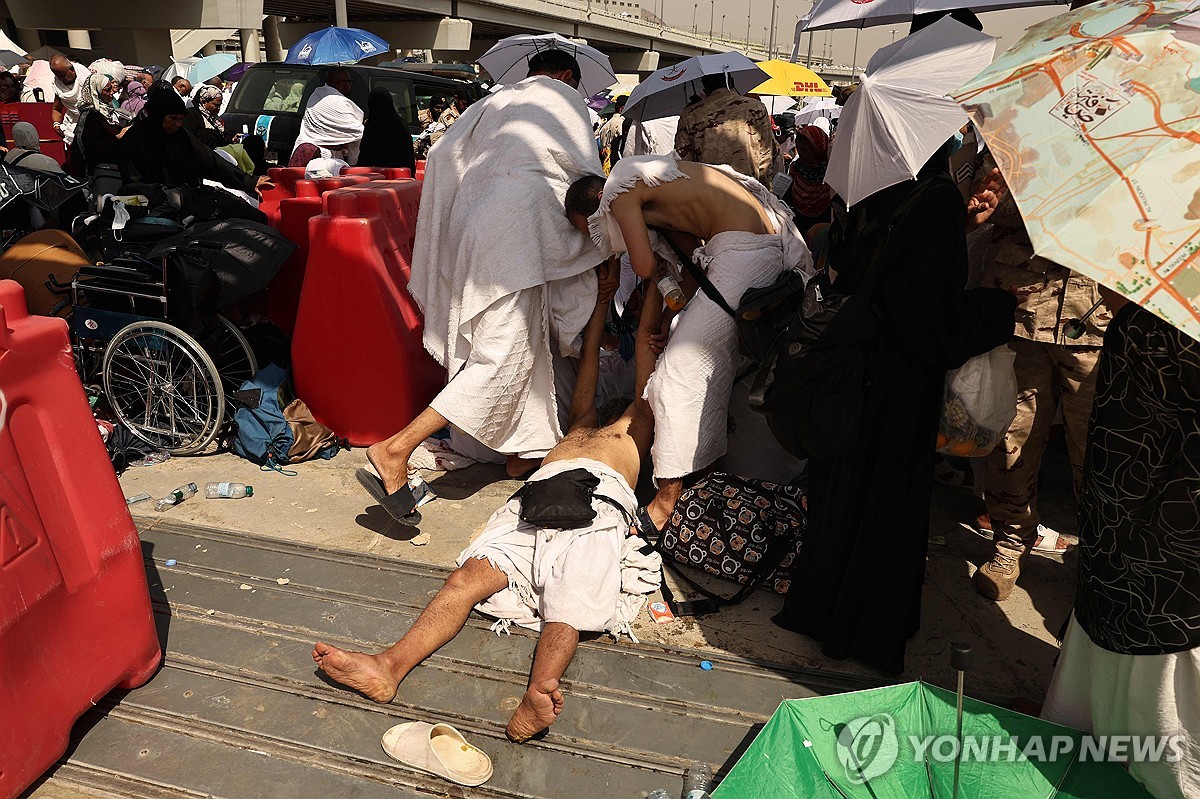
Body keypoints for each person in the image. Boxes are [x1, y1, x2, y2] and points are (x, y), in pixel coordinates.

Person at [316, 265, 663, 743]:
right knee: (463, 581)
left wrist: (655, 295)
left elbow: (645, 345)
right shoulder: (580, 421)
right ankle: (387, 666)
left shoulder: (637, 423)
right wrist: (602, 299)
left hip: (597, 502)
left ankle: (537, 694)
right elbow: (588, 359)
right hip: (536, 500)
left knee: (568, 600)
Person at [772, 142, 1017, 675]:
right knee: (886, 506)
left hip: (855, 371)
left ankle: (823, 611)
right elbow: (930, 319)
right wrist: (995, 310)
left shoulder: (875, 192)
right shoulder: (935, 202)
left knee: (844, 500)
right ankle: (866, 630)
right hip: (900, 383)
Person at [362, 48, 603, 521]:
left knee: (525, 352)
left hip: (475, 232)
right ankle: (396, 449)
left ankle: (528, 451)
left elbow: (444, 153)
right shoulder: (564, 99)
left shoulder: (493, 102)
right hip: (517, 240)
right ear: (566, 75)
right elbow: (586, 183)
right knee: (501, 359)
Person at [566, 153, 812, 532]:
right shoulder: (653, 185)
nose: (597, 240)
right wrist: (668, 320)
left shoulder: (618, 192)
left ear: (597, 204)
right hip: (749, 248)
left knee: (675, 377)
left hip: (745, 252)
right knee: (690, 363)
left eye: (592, 230)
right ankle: (703, 480)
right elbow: (691, 267)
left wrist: (614, 271)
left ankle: (667, 500)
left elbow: (646, 268)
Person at [1041, 294, 1200, 799]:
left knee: (1109, 715)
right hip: (1170, 566)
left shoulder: (1144, 311)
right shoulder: (1157, 321)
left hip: (1128, 542)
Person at [972, 162, 1108, 602]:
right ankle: (1011, 543)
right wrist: (1002, 194)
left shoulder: (1139, 137)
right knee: (1012, 439)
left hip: (1099, 317)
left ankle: (1103, 562)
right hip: (1022, 311)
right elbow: (988, 208)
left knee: (1100, 450)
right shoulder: (1025, 134)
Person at [119, 86, 269, 198]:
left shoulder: (180, 135)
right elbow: (133, 184)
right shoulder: (135, 140)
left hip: (188, 198)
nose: (178, 124)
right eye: (173, 118)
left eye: (180, 119)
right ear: (158, 115)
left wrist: (249, 181)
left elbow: (209, 160)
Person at [675, 74, 777, 185]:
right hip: (748, 188)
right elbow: (766, 155)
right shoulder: (756, 107)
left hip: (708, 189)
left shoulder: (690, 114)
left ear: (705, 89)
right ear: (732, 82)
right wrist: (764, 189)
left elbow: (683, 160)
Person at [289, 67, 363, 167]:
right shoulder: (338, 102)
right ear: (341, 83)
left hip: (307, 152)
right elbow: (356, 131)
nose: (351, 85)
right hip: (319, 157)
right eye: (349, 81)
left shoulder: (316, 95)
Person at [72, 72, 128, 176]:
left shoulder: (105, 111)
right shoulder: (90, 115)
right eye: (107, 90)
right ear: (96, 92)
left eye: (112, 88)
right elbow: (92, 146)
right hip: (94, 172)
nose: (112, 93)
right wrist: (120, 136)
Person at [786, 124, 833, 239]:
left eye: (806, 149)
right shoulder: (796, 168)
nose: (801, 153)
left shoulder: (831, 173)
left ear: (818, 148)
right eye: (799, 148)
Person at [357, 89, 415, 171]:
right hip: (401, 178)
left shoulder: (371, 128)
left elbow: (364, 158)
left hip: (375, 179)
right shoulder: (400, 126)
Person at [50, 55, 90, 145]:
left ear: (72, 70)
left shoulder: (87, 79)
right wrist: (56, 124)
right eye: (58, 76)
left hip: (93, 123)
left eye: (63, 75)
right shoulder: (58, 85)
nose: (61, 79)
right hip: (72, 125)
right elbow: (56, 109)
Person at [183, 84, 229, 148]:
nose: (218, 108)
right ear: (204, 102)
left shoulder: (215, 120)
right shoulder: (192, 115)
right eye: (216, 105)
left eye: (220, 105)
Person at [597, 94, 627, 172]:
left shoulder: (606, 124)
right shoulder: (621, 123)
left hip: (607, 162)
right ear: (622, 109)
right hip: (616, 163)